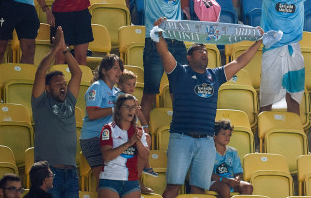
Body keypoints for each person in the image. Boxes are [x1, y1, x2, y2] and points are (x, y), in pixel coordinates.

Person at [151, 27, 261, 198]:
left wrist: (258, 43)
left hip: (206, 142)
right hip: (181, 137)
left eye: (206, 51)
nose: (204, 54)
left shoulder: (215, 75)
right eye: (199, 51)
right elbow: (164, 52)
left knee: (199, 190)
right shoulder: (179, 72)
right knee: (173, 186)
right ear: (189, 57)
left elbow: (240, 62)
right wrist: (158, 33)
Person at [131, 0, 218, 122]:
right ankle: (142, 134)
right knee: (150, 93)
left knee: (181, 88)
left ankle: (183, 125)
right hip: (155, 41)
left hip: (177, 41)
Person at [31, 27, 82, 198]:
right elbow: (40, 72)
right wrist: (55, 49)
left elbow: (77, 73)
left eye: (64, 83)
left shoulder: (69, 100)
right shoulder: (41, 102)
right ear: (47, 88)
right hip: (48, 173)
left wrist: (65, 49)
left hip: (71, 173)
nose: (63, 86)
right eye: (57, 84)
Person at [79, 55, 124, 179]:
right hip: (93, 138)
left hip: (109, 138)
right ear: (104, 71)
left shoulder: (117, 92)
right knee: (104, 178)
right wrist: (115, 109)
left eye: (120, 69)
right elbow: (92, 114)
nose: (119, 72)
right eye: (115, 68)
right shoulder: (97, 87)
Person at [97, 93, 147, 198]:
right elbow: (107, 156)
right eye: (127, 107)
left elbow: (145, 156)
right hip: (110, 179)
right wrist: (128, 143)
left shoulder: (138, 130)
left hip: (131, 181)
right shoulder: (108, 129)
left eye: (133, 107)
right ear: (119, 109)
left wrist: (137, 140)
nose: (130, 110)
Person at [209, 120, 253, 198]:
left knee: (248, 187)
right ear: (214, 136)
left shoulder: (233, 152)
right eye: (223, 134)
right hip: (214, 183)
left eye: (229, 135)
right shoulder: (209, 152)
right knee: (224, 188)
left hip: (230, 181)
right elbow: (209, 175)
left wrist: (236, 179)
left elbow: (238, 172)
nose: (227, 137)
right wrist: (227, 181)